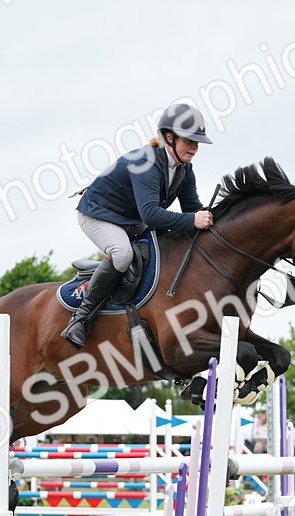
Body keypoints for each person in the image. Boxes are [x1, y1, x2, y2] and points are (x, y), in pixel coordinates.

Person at [61, 102, 215, 349]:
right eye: (190, 140)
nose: (195, 147)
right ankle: (80, 320)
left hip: (132, 219)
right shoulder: (146, 162)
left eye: (198, 142)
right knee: (122, 254)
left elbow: (192, 209)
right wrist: (192, 220)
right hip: (99, 215)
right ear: (169, 137)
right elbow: (152, 214)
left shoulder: (185, 170)